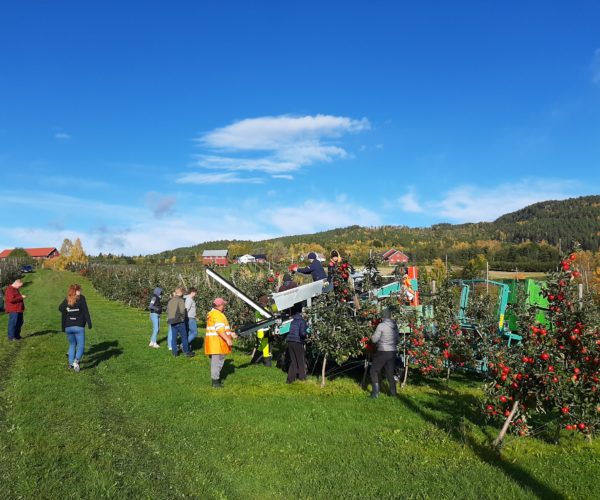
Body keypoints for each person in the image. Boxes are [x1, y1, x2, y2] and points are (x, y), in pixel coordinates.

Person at [58, 284, 92, 372]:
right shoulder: (81, 299)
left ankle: (70, 364)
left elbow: (60, 308)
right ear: (75, 291)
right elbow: (85, 311)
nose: (80, 292)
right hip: (79, 326)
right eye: (79, 290)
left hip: (68, 327)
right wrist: (89, 323)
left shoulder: (67, 299)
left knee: (72, 345)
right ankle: (76, 362)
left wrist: (69, 310)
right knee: (81, 346)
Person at [205, 297, 237, 387]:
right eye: (223, 305)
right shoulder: (217, 315)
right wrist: (228, 339)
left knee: (217, 361)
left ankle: (216, 379)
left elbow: (223, 328)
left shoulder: (215, 313)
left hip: (215, 343)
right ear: (219, 305)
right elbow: (219, 330)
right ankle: (215, 382)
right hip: (217, 343)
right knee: (217, 363)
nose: (224, 306)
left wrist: (231, 334)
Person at [369, 308, 399, 398]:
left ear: (383, 317)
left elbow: (374, 340)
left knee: (374, 370)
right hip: (392, 352)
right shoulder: (395, 326)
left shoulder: (381, 326)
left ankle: (375, 393)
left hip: (382, 351)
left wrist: (371, 336)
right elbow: (397, 339)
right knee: (390, 372)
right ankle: (393, 393)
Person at [167, 287, 194, 358]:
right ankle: (186, 352)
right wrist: (182, 319)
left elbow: (168, 311)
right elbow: (183, 311)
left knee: (174, 338)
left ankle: (174, 353)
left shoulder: (170, 300)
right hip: (179, 321)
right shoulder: (180, 300)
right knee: (184, 337)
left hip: (172, 321)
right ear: (181, 293)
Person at [286, 309, 308, 383]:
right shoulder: (302, 321)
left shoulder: (293, 321)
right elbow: (302, 333)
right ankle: (302, 379)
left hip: (290, 341)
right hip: (297, 342)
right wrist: (306, 336)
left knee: (294, 361)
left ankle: (290, 379)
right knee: (301, 361)